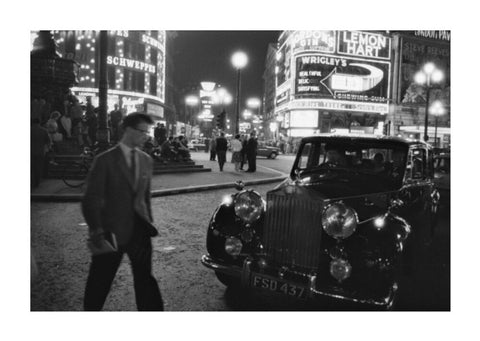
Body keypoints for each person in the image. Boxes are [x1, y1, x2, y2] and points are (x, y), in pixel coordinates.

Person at [81, 112, 164, 311]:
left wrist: (148, 221)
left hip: (140, 231)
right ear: (127, 130)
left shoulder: (146, 160)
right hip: (111, 231)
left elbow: (145, 195)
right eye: (142, 131)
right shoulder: (105, 160)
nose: (146, 136)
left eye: (148, 132)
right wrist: (96, 229)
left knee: (145, 279)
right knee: (100, 280)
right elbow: (91, 198)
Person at [31, 118, 51, 188]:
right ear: (39, 123)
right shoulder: (44, 130)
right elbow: (48, 141)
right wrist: (48, 148)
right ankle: (37, 182)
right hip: (40, 151)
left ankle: (31, 181)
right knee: (38, 167)